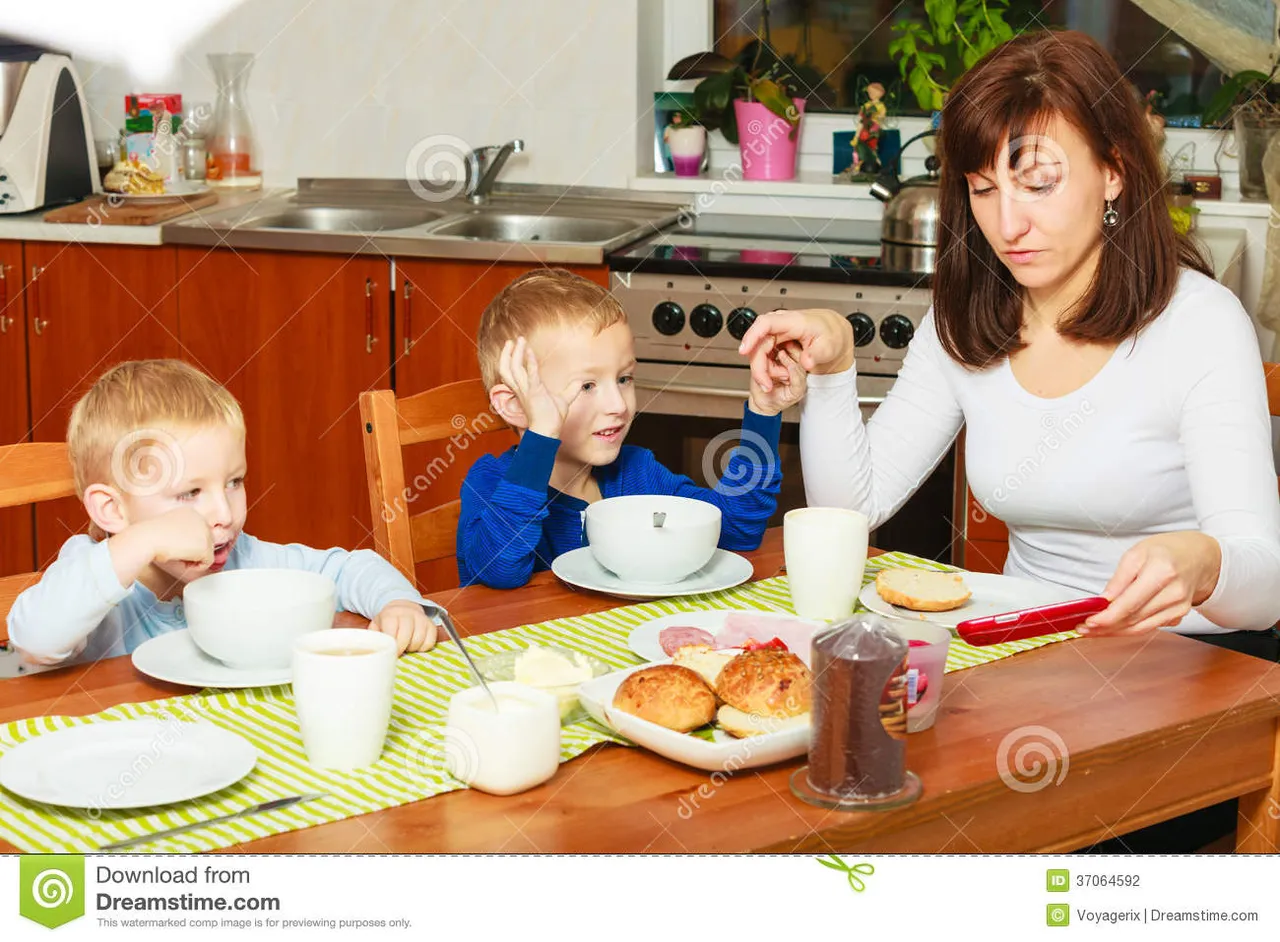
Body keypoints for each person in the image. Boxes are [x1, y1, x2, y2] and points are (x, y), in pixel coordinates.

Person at [739, 29, 1280, 656]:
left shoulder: (1199, 324)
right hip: (1025, 651)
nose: (1007, 226)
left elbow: (1266, 587)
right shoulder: (967, 315)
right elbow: (852, 509)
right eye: (984, 189)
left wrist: (1206, 562)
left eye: (1040, 183)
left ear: (1114, 172)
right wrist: (834, 373)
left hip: (1196, 659)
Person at [8, 360, 441, 666]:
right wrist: (138, 543)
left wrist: (398, 602)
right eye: (190, 493)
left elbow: (350, 568)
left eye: (234, 482)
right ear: (113, 509)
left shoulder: (245, 561)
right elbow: (34, 640)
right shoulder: (89, 571)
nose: (223, 513)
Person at [456, 268, 804, 589]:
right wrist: (542, 434)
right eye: (587, 386)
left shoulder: (636, 473)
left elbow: (733, 531)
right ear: (515, 405)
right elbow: (500, 571)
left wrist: (763, 412)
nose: (619, 405)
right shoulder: (488, 482)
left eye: (623, 379)